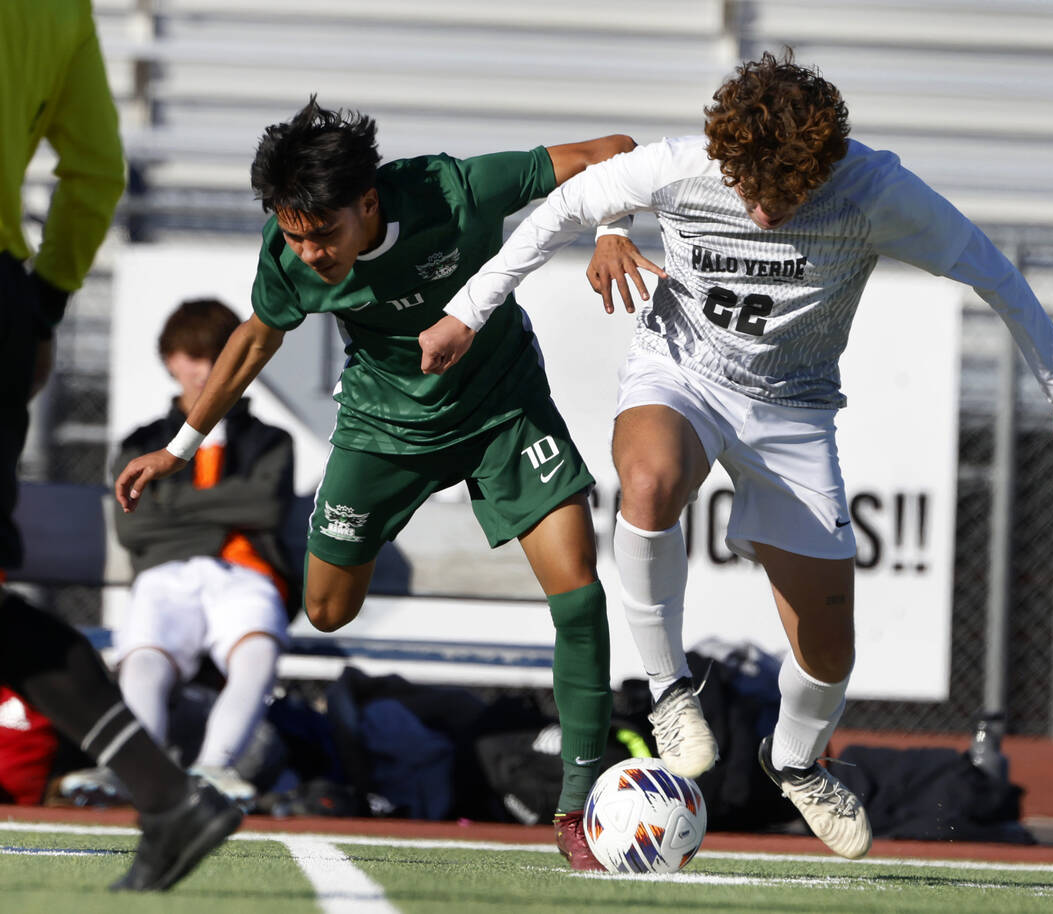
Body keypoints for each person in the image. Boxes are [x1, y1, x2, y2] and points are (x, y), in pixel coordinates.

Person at [424, 50, 1053, 860]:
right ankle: (670, 692)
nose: (759, 211)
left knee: (828, 646)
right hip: (679, 373)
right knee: (646, 484)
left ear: (823, 168)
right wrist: (466, 313)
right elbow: (559, 211)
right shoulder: (683, 166)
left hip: (792, 412)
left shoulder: (877, 192)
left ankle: (794, 760)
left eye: (783, 193)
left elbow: (994, 273)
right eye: (747, 187)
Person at [114, 97, 636, 870]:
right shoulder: (290, 253)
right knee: (325, 610)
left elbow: (613, 150)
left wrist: (613, 231)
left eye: (323, 234)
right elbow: (256, 338)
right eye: (294, 235)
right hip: (382, 430)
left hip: (504, 410)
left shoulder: (454, 190)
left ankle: (580, 804)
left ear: (368, 202)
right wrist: (183, 445)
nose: (310, 253)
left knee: (580, 593)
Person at [0, 0, 241, 891]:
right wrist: (43, 303)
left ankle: (168, 795)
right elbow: (96, 170)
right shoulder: (58, 10)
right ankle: (166, 795)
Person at [64, 298, 295, 805]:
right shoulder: (141, 441)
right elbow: (135, 527)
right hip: (164, 574)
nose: (204, 369)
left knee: (257, 652)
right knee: (142, 657)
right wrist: (223, 515)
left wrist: (174, 501)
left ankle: (214, 767)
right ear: (170, 360)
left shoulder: (269, 440)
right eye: (191, 355)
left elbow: (266, 508)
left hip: (244, 571)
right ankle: (137, 771)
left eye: (216, 355)